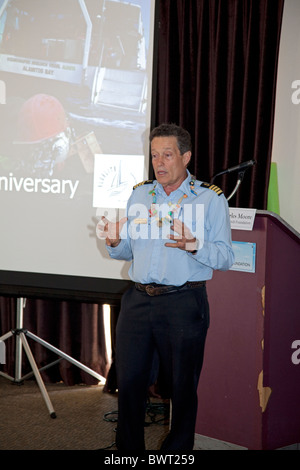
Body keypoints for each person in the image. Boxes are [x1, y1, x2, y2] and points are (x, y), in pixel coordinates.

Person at [98, 123, 234, 451]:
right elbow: (130, 249)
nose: (159, 162)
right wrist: (115, 240)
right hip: (138, 301)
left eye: (168, 155)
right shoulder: (140, 193)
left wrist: (193, 244)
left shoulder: (210, 199)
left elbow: (226, 256)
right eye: (155, 155)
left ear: (185, 157)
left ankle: (176, 454)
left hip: (184, 302)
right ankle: (128, 452)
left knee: (182, 387)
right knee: (129, 384)